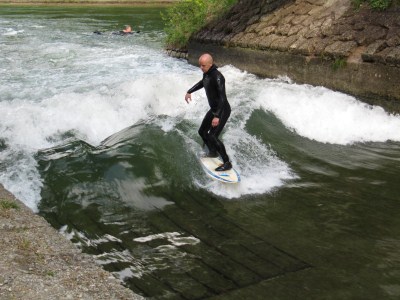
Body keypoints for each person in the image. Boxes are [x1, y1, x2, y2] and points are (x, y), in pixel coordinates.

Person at [185, 53, 232, 171]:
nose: (201, 67)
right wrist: (189, 91)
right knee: (202, 131)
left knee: (213, 136)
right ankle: (212, 151)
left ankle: (227, 162)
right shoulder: (207, 74)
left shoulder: (218, 77)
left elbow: (222, 98)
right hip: (214, 109)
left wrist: (217, 116)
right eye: (200, 65)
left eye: (203, 65)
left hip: (222, 110)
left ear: (210, 64)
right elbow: (202, 83)